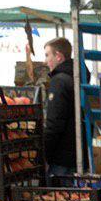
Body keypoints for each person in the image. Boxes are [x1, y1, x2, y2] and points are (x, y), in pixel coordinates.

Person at [42, 37, 77, 178]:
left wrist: (45, 153)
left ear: (58, 56)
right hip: (76, 155)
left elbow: (54, 123)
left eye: (47, 55)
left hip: (61, 158)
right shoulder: (77, 77)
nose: (45, 61)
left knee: (59, 197)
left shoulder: (59, 81)